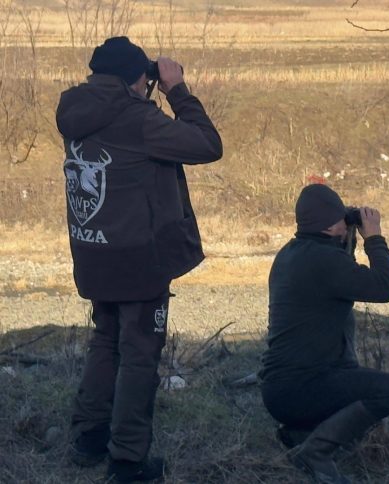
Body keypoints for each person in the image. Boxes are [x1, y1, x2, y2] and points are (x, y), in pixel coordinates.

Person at [57, 36, 222, 482]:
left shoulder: (74, 111)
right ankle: (127, 461)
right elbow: (208, 144)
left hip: (93, 251)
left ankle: (87, 438)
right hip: (138, 259)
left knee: (105, 341)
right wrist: (177, 91)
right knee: (139, 354)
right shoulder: (139, 120)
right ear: (137, 79)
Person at [259, 183, 389, 483]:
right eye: (342, 218)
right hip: (300, 389)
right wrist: (374, 237)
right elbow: (384, 287)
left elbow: (341, 276)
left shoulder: (290, 254)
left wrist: (347, 235)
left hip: (281, 390)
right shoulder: (324, 262)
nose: (347, 221)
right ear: (329, 225)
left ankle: (301, 433)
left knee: (349, 378)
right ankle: (316, 453)